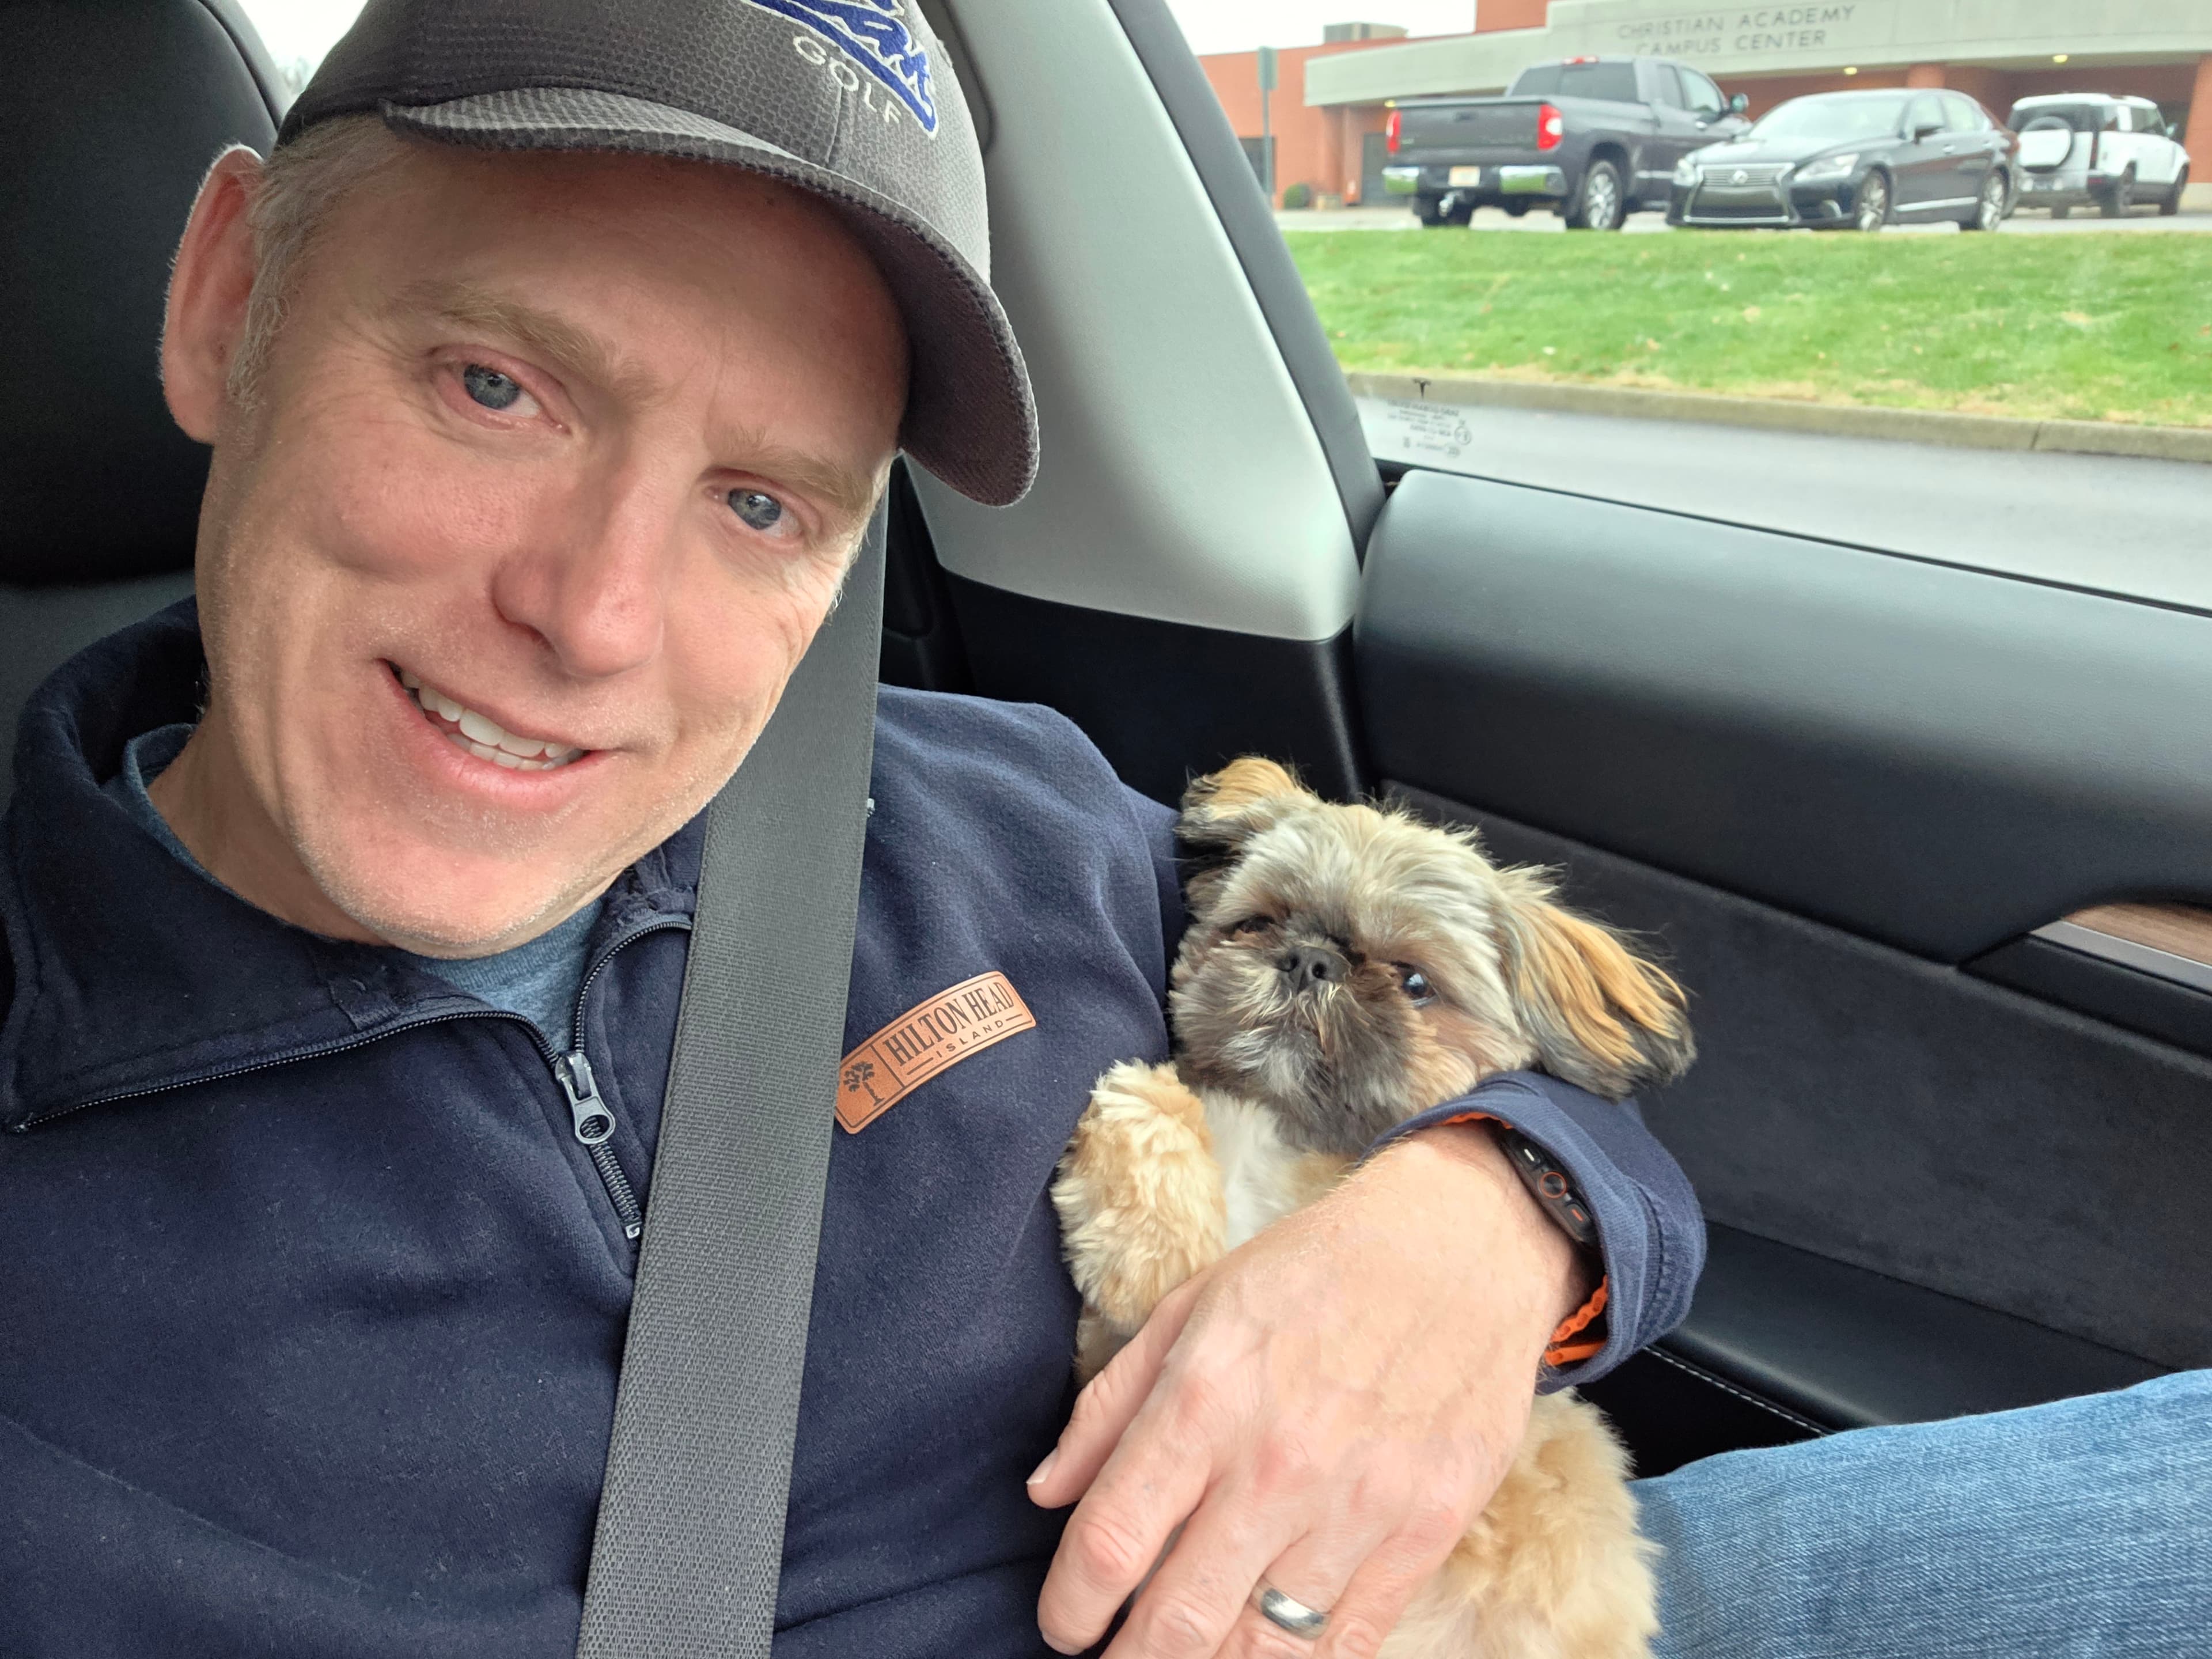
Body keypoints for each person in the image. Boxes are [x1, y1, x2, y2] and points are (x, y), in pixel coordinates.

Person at [0, 3, 1698, 1656]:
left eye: (760, 503)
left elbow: (1545, 1076)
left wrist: (1488, 1220)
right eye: (494, 387)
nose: (594, 617)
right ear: (230, 300)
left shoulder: (1020, 810)